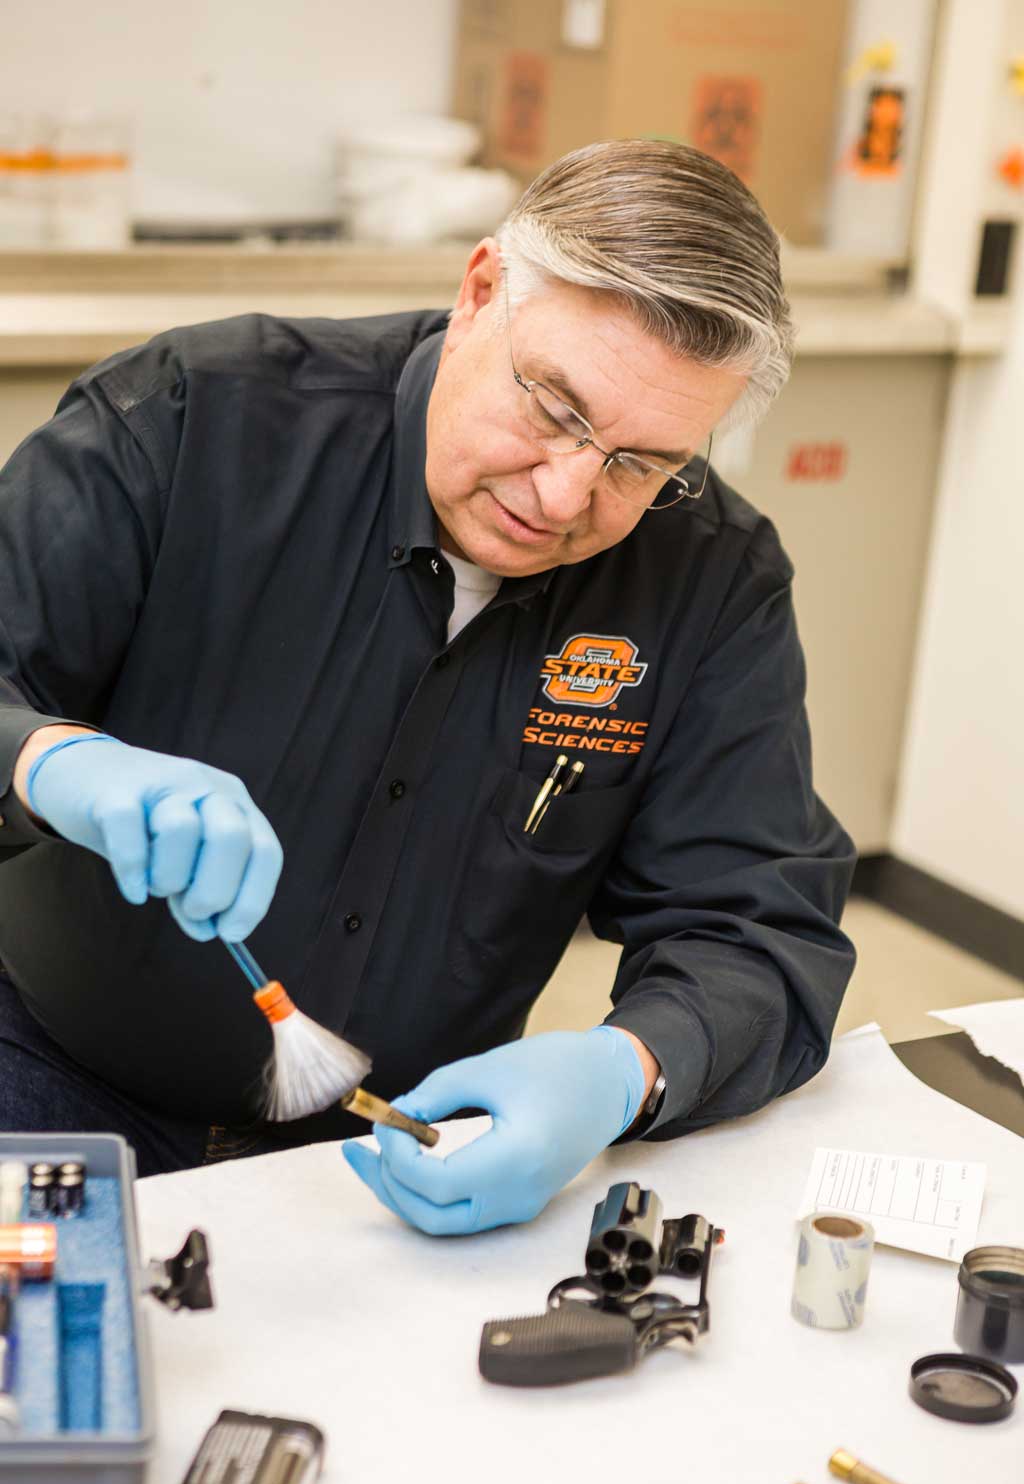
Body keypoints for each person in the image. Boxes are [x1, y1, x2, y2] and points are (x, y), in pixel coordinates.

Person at [0, 140, 855, 1230]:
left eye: (640, 464)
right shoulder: (191, 420)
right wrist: (47, 760)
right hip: (52, 1082)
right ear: (482, 288)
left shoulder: (710, 578)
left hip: (406, 1147)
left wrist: (622, 1071)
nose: (562, 496)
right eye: (554, 408)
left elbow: (757, 929)